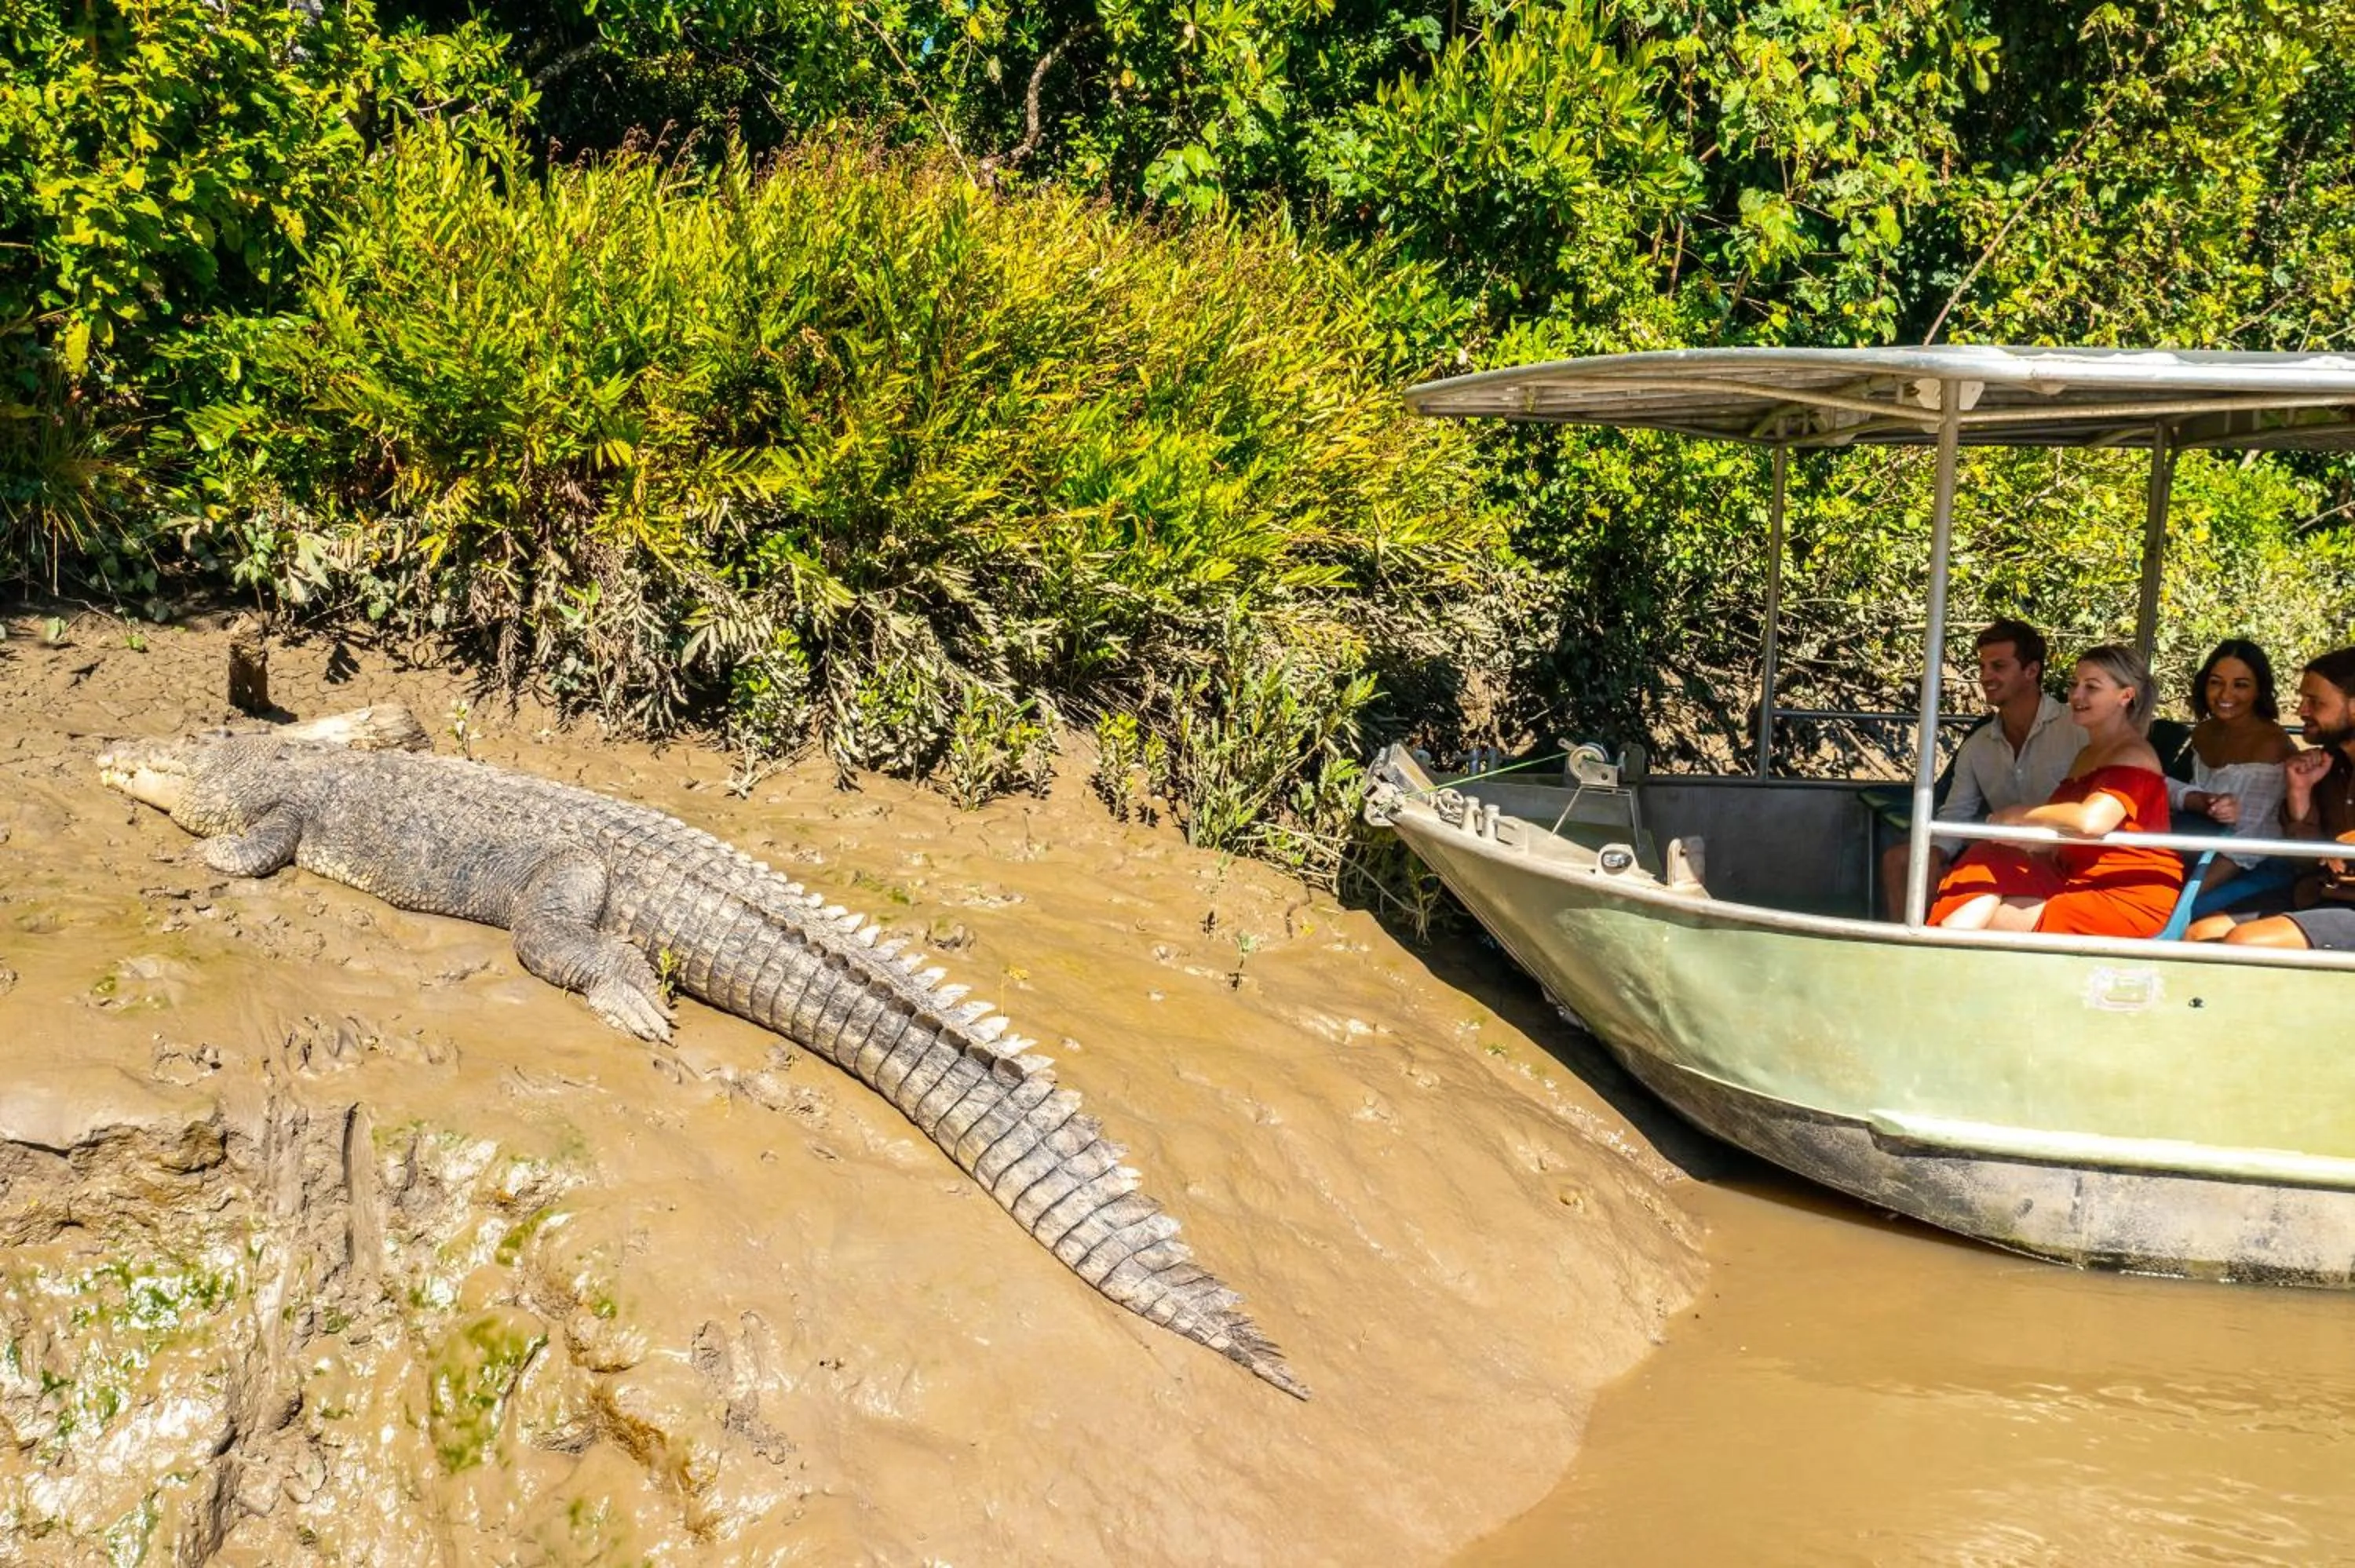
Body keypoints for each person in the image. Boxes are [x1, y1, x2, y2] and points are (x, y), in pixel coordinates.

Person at [1928, 644, 2182, 935]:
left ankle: (1944, 943)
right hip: (2073, 875)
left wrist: (2025, 814)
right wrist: (2030, 840)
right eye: (2074, 685)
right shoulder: (2087, 754)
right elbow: (2069, 833)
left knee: (1994, 919)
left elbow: (2091, 821)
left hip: (2123, 892)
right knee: (1990, 853)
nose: (2076, 696)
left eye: (2092, 687)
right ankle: (1946, 937)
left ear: (2125, 696)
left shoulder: (2134, 754)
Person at [1880, 618, 2086, 919]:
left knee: (1979, 863)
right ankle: (1910, 949)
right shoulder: (1978, 745)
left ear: (2031, 671)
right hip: (2010, 852)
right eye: (1983, 667)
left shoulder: (2077, 728)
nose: (1986, 676)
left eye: (1999, 667)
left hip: (2061, 853)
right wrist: (1937, 853)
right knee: (1902, 859)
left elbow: (2128, 775)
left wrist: (2183, 794)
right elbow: (1956, 815)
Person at [2193, 647, 2355, 950]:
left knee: (2244, 942)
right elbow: (2305, 861)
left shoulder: (2275, 745)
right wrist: (2299, 792)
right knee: (2199, 933)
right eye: (2303, 699)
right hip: (2319, 893)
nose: (2302, 710)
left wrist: (2341, 850)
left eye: (2315, 702)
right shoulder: (2327, 768)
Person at [2168, 639, 2296, 893]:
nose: (2226, 695)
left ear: (2259, 690)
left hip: (2254, 865)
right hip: (2202, 854)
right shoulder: (2204, 731)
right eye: (2216, 683)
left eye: (2241, 685)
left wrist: (2185, 898)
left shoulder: (2270, 744)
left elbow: (2248, 844)